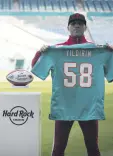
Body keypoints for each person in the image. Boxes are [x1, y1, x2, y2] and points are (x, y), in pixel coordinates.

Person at [31, 13, 112, 156]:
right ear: (68, 27)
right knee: (58, 148)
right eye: (73, 23)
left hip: (89, 106)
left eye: (80, 23)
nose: (76, 25)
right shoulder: (56, 50)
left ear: (85, 27)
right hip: (65, 105)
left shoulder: (98, 50)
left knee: (93, 148)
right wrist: (40, 53)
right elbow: (36, 68)